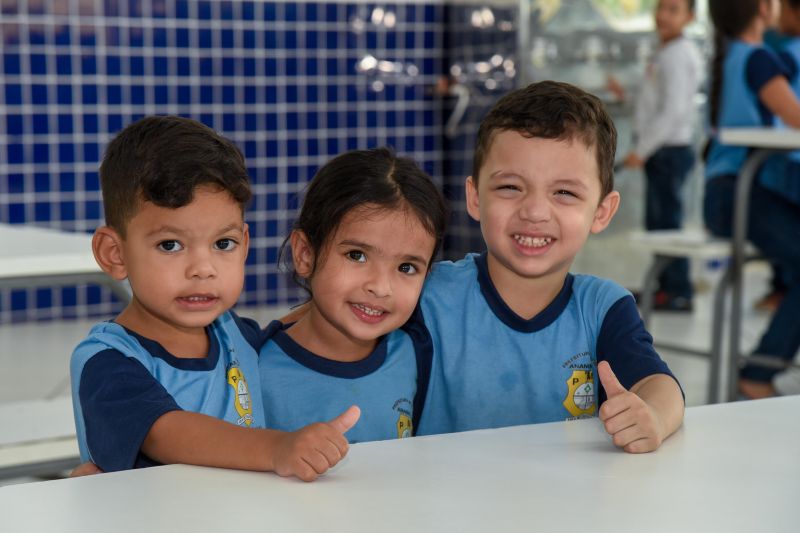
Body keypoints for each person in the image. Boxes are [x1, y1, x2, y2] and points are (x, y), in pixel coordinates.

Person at [70, 116, 359, 481]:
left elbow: (299, 329)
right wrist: (278, 448)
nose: (202, 269)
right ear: (115, 253)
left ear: (245, 245)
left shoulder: (232, 333)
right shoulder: (108, 361)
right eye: (170, 245)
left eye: (223, 244)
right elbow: (168, 432)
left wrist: (352, 302)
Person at [410, 80, 685, 453]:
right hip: (443, 503)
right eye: (510, 187)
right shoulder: (427, 296)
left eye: (565, 193)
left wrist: (651, 415)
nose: (535, 212)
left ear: (601, 212)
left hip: (567, 506)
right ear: (475, 198)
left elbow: (659, 385)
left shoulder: (602, 308)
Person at [259, 147, 448, 442]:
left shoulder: (414, 354)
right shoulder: (256, 368)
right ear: (305, 254)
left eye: (407, 267)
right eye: (357, 255)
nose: (380, 286)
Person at [705, 0, 800, 399]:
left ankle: (764, 367)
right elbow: (795, 117)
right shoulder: (759, 59)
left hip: (728, 193)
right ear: (764, 8)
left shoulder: (733, 56)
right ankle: (758, 372)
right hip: (740, 195)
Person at [610, 0, 702, 312]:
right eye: (661, 7)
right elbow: (656, 102)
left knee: (666, 224)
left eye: (673, 9)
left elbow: (673, 112)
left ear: (690, 17)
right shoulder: (666, 50)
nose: (663, 15)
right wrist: (629, 98)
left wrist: (641, 150)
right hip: (661, 150)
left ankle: (678, 291)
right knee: (659, 221)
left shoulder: (678, 55)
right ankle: (667, 286)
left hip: (668, 150)